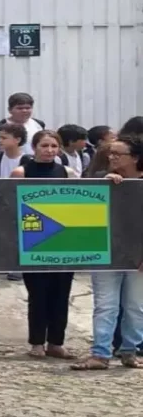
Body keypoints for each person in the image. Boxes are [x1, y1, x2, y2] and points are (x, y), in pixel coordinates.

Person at [71, 134, 143, 370]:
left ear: (134, 158)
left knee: (135, 306)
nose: (111, 157)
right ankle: (100, 353)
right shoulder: (101, 180)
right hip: (105, 252)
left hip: (137, 257)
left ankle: (130, 350)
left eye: (117, 154)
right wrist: (103, 183)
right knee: (106, 305)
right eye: (109, 153)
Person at [11, 130, 79, 360]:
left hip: (64, 241)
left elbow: (79, 203)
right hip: (33, 240)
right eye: (44, 146)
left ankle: (56, 342)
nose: (49, 150)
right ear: (34, 147)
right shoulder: (21, 172)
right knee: (38, 293)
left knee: (62, 294)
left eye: (53, 146)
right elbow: (9, 205)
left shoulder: (68, 173)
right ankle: (37, 342)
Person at [0, 92, 44, 166]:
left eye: (27, 108)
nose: (24, 111)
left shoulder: (38, 125)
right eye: (20, 108)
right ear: (10, 110)